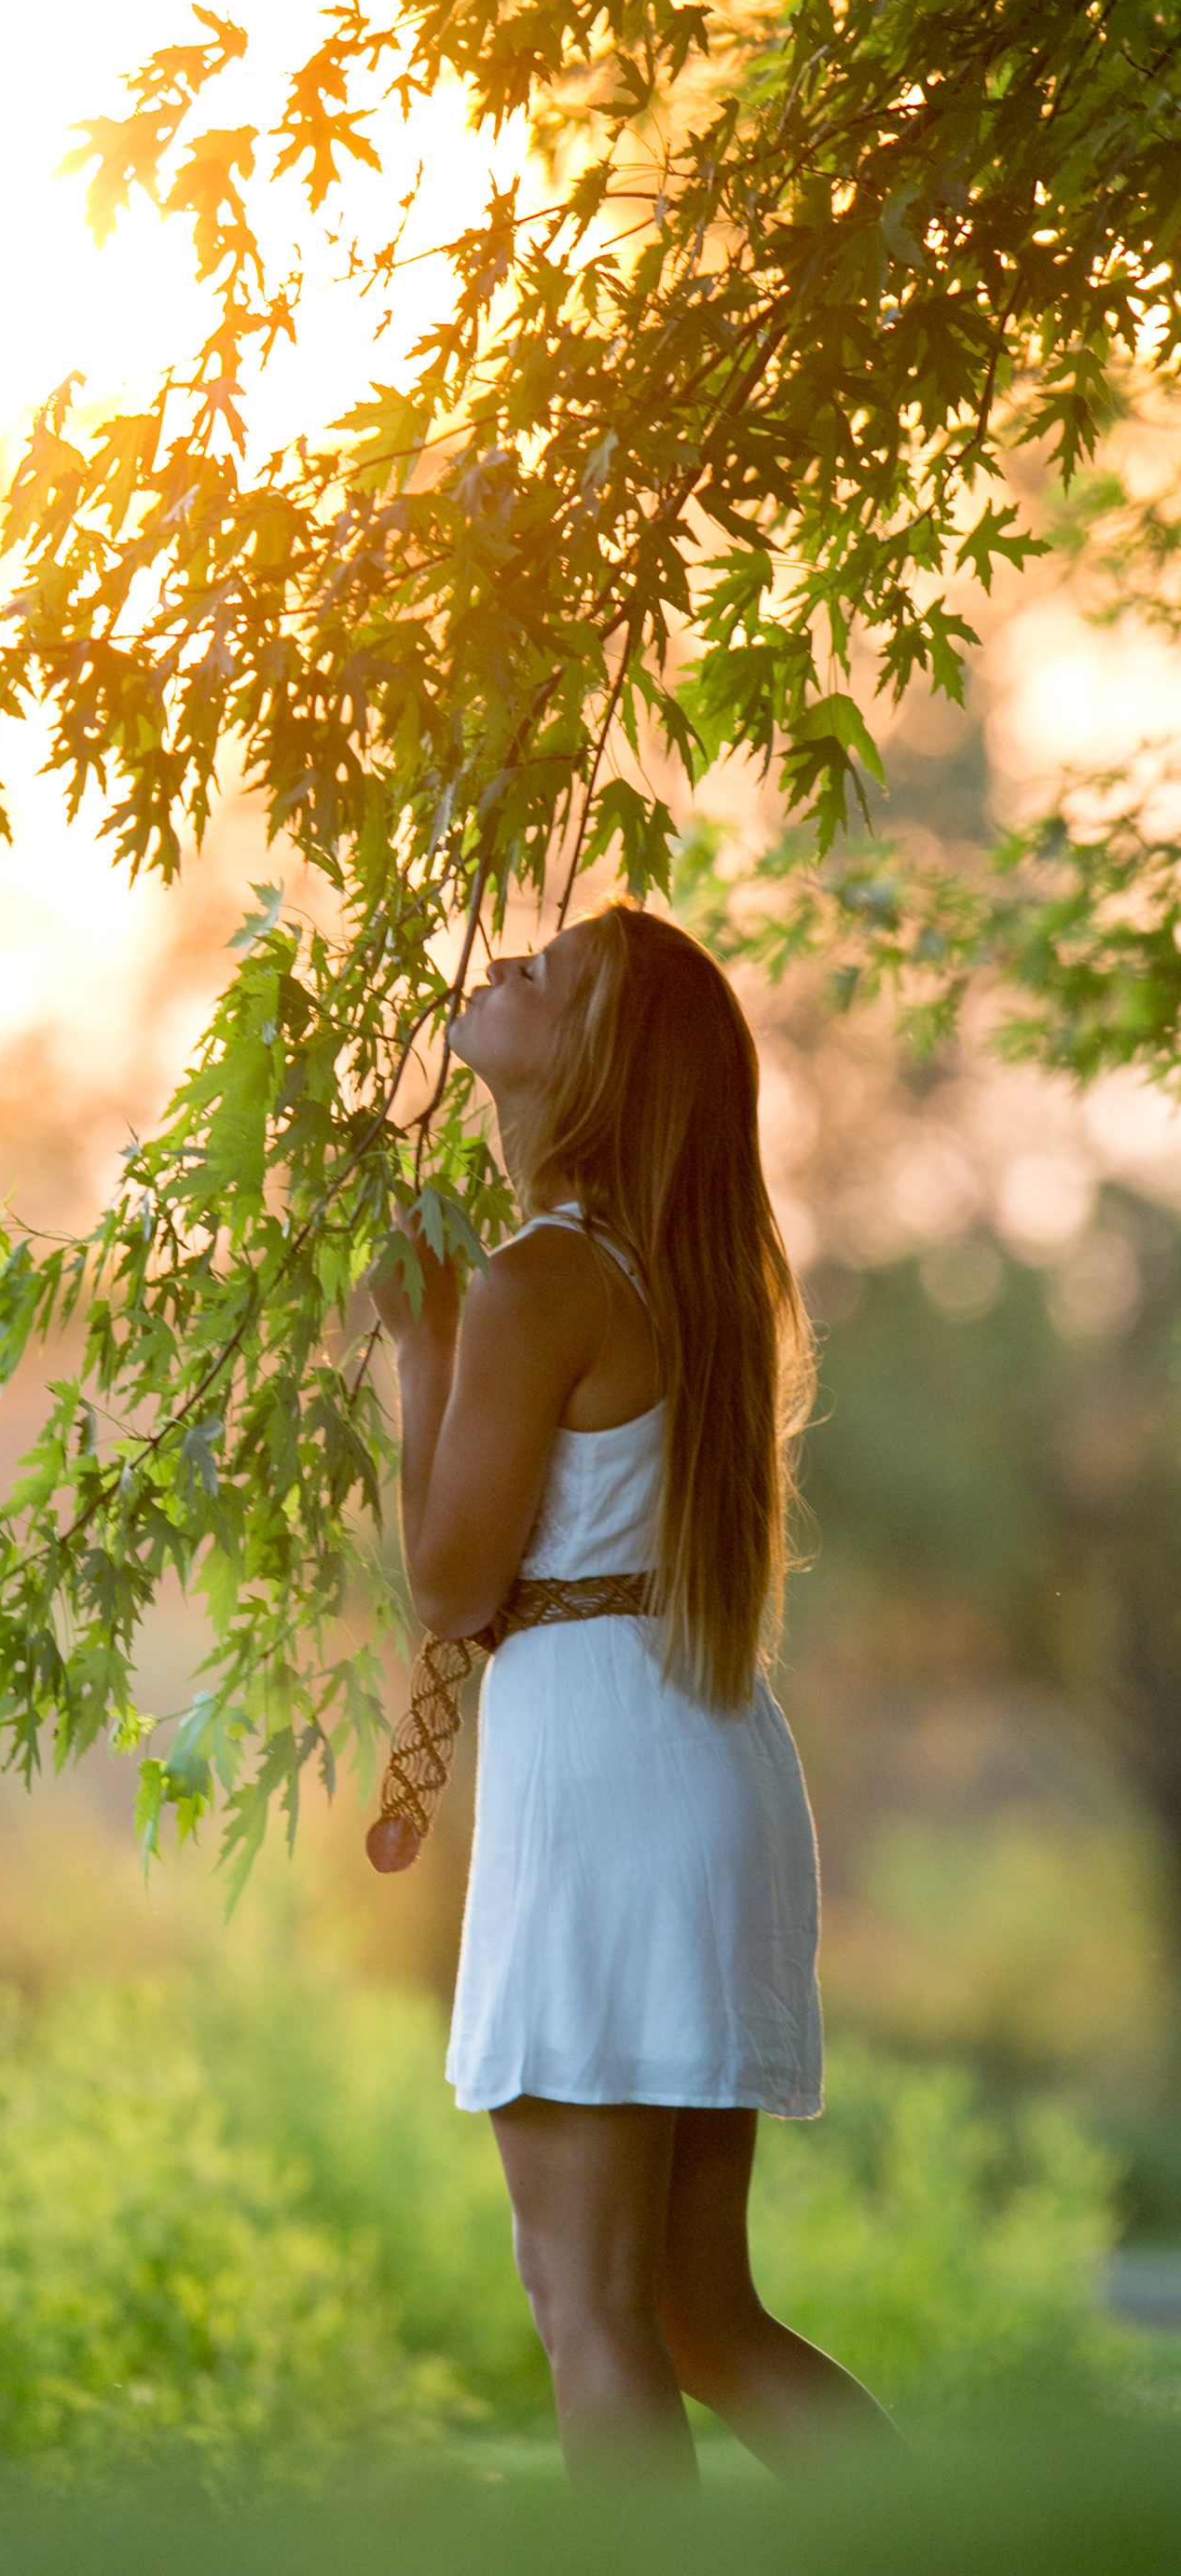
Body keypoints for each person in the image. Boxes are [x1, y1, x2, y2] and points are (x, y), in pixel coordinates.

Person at [371, 900, 899, 2488]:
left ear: (599, 1057)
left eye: (556, 972)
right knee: (693, 2310)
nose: (508, 963)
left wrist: (421, 1352)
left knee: (587, 2306)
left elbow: (454, 1588)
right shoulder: (684, 1276)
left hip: (600, 1781)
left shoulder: (539, 1280)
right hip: (700, 1763)